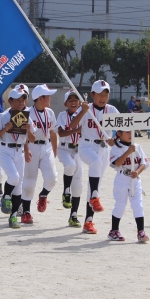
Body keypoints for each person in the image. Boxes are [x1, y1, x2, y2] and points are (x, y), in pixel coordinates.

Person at [70, 80, 118, 235]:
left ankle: (88, 221)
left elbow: (123, 129)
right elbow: (72, 125)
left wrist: (114, 140)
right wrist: (83, 111)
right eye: (99, 94)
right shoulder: (86, 108)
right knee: (95, 164)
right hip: (86, 146)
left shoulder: (112, 110)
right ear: (92, 95)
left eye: (106, 94)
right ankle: (95, 197)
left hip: (103, 148)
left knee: (94, 184)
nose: (103, 97)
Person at [0, 84, 36, 229]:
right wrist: (5, 129)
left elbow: (33, 139)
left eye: (23, 99)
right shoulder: (3, 116)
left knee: (19, 188)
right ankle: (5, 196)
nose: (20, 102)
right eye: (17, 100)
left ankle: (13, 217)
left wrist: (29, 130)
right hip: (6, 150)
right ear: (10, 101)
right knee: (14, 177)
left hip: (19, 152)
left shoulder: (27, 116)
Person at [20, 84, 58, 225]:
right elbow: (22, 134)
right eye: (47, 96)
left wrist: (54, 150)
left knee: (52, 178)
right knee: (30, 179)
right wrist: (25, 149)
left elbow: (53, 132)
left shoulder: (50, 112)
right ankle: (26, 212)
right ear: (40, 98)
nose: (50, 98)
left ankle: (43, 195)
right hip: (32, 147)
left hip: (46, 145)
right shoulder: (27, 112)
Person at [108, 129, 150, 242]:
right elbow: (116, 163)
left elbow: (143, 163)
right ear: (119, 134)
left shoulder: (137, 146)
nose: (131, 134)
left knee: (138, 205)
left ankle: (141, 232)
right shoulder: (116, 148)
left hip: (135, 179)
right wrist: (128, 152)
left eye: (132, 132)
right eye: (127, 132)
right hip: (122, 178)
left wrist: (137, 172)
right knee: (120, 204)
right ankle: (114, 231)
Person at [55, 90, 83, 228]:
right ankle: (66, 191)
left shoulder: (83, 114)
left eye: (76, 100)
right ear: (65, 103)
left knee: (78, 186)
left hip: (78, 150)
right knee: (70, 165)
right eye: (70, 100)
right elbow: (61, 132)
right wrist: (76, 131)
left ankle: (73, 215)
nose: (73, 102)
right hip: (64, 148)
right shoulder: (62, 115)